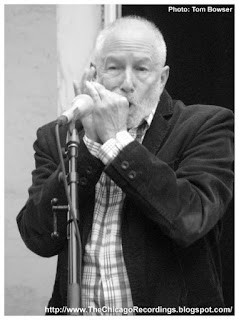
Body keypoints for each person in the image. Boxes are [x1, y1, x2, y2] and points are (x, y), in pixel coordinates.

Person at [17, 16, 234, 315]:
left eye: (142, 69)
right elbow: (37, 236)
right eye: (114, 67)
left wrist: (117, 142)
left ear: (162, 78)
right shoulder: (57, 137)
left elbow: (191, 217)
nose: (126, 84)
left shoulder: (205, 125)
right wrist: (90, 147)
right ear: (94, 74)